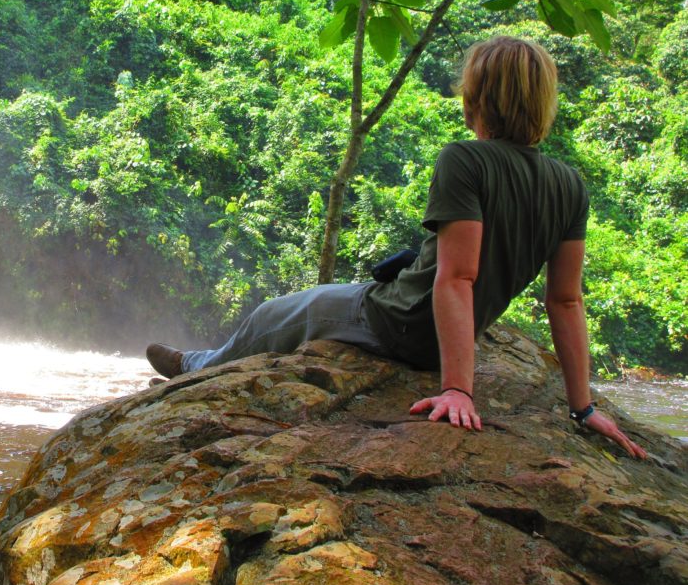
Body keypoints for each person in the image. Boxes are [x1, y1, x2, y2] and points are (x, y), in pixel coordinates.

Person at [146, 35, 647, 459]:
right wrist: (584, 408)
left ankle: (195, 370)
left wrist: (457, 390)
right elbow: (565, 299)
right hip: (446, 327)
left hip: (399, 321)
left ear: (477, 99)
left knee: (275, 314)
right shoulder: (569, 184)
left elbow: (458, 278)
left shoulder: (465, 161)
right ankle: (197, 367)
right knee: (352, 286)